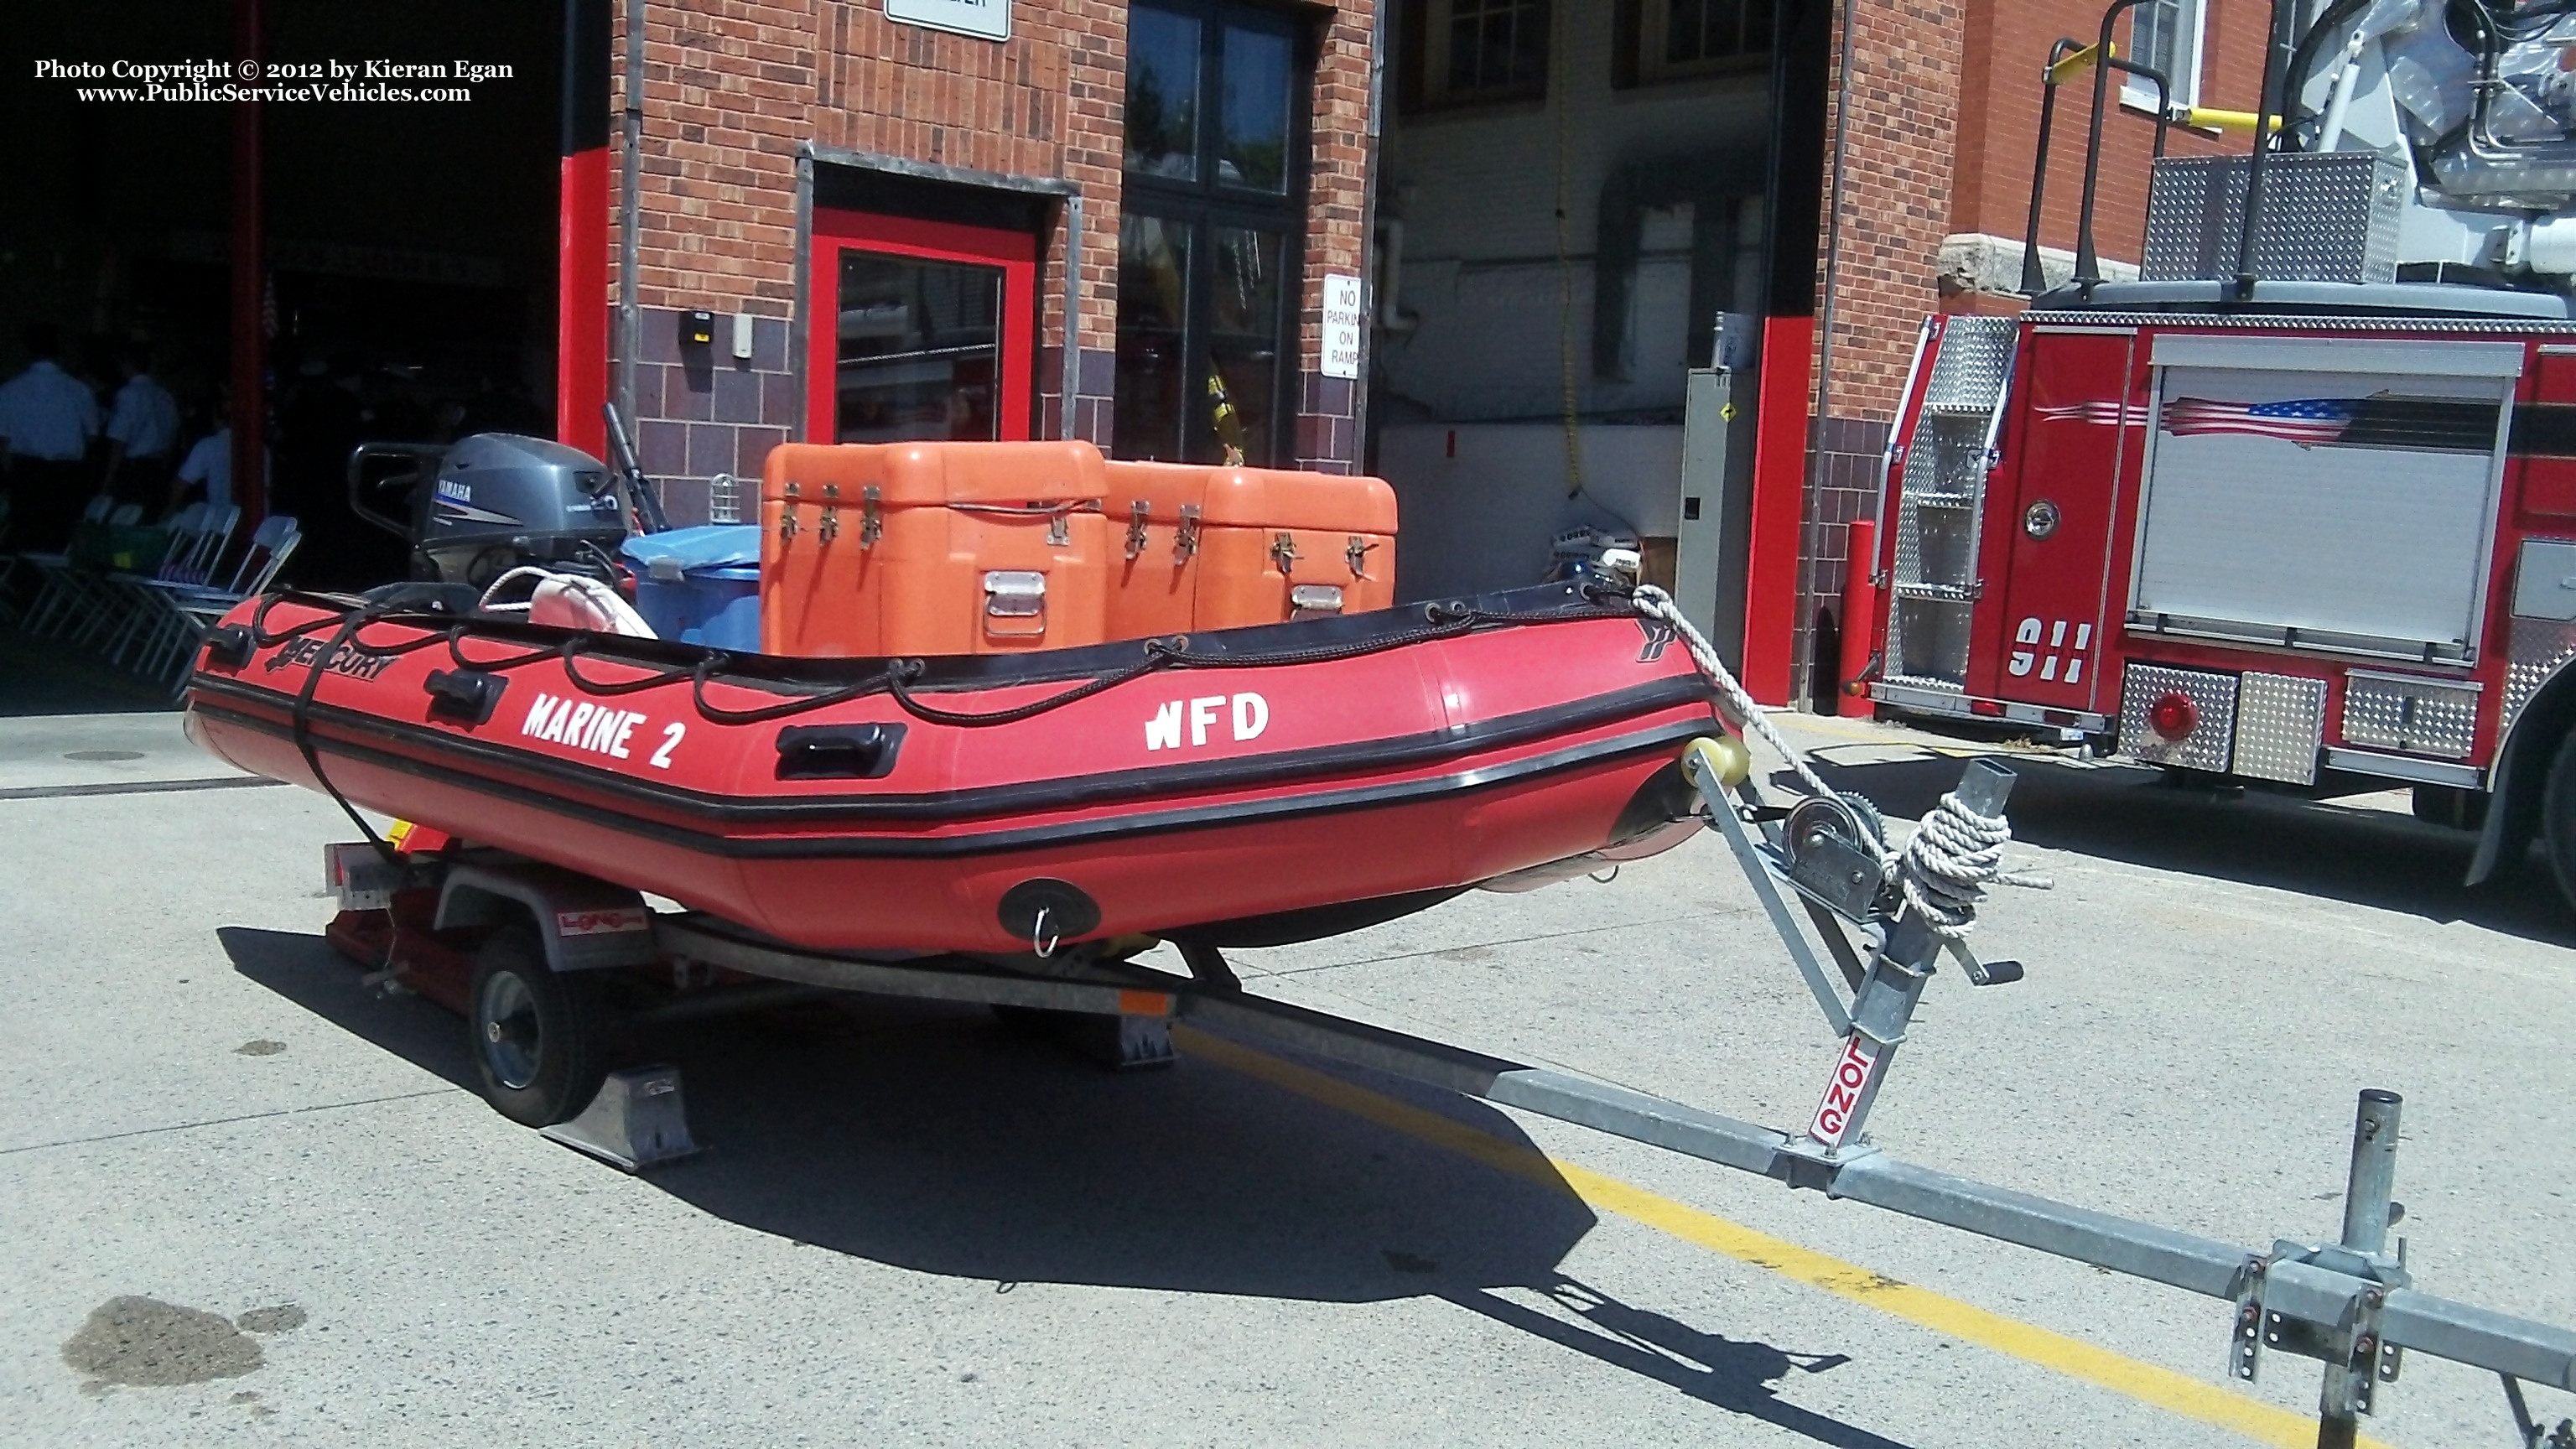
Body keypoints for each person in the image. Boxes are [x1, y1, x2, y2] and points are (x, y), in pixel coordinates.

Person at [0, 322, 103, 548]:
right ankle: (58, 580)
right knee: (62, 534)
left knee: (26, 534)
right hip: (67, 472)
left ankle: (27, 580)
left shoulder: (10, 390)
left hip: (26, 471)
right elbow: (93, 435)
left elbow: (4, 440)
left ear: (27, 351)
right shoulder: (79, 390)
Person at [102, 347, 181, 512]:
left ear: (126, 366)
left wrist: (109, 478)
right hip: (158, 468)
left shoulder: (128, 395)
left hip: (133, 471)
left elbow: (119, 440)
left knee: (127, 518)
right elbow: (172, 436)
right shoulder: (165, 396)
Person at [169, 385, 233, 516]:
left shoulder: (208, 446)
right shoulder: (261, 449)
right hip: (255, 526)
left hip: (218, 523)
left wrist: (169, 510)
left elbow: (180, 484)